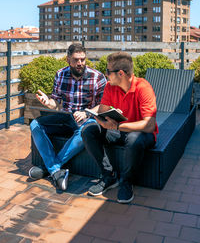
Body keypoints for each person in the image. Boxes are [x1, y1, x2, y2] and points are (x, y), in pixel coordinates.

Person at [82, 52, 158, 203]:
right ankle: (108, 176)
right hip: (119, 130)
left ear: (121, 73)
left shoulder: (143, 87)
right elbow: (103, 110)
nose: (106, 74)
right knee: (88, 131)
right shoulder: (111, 87)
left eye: (108, 71)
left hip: (142, 134)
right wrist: (100, 118)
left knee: (133, 137)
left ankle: (126, 182)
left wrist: (117, 126)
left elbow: (149, 125)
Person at [29, 43, 107, 191]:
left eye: (83, 59)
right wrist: (48, 103)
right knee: (35, 125)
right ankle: (56, 171)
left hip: (86, 119)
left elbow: (104, 105)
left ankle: (51, 168)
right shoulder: (60, 74)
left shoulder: (97, 77)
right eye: (76, 60)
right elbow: (56, 104)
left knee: (85, 131)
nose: (80, 63)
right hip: (65, 117)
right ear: (68, 60)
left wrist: (87, 112)